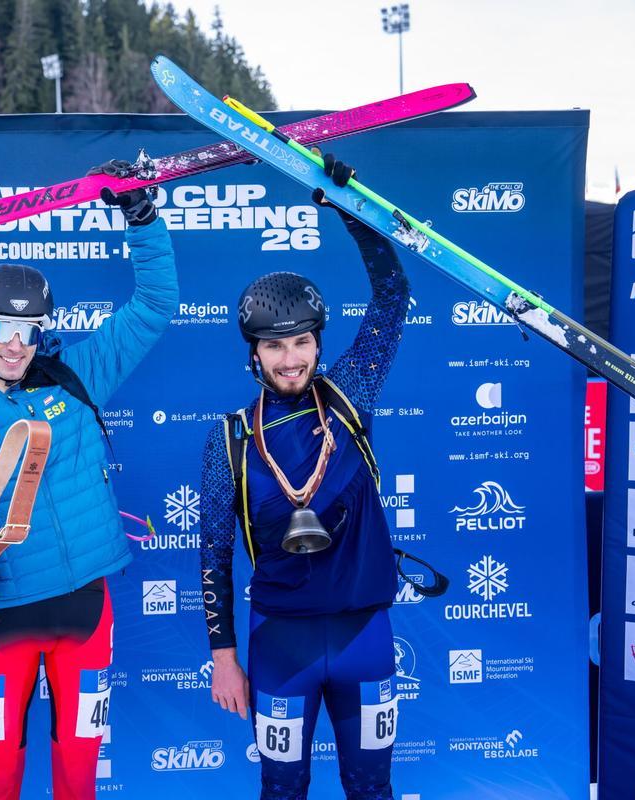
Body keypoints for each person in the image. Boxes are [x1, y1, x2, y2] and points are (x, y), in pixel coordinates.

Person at [0, 162, 178, 800]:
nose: (15, 345)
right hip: (2, 620)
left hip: (85, 610)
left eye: (28, 331)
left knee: (79, 773)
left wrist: (142, 219)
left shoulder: (77, 378)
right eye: (2, 328)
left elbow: (157, 306)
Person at [200, 155, 410, 800]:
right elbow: (213, 553)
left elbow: (392, 296)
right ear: (253, 352)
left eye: (301, 343)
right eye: (274, 345)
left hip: (364, 638)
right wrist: (224, 656)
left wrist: (352, 209)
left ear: (319, 343)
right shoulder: (230, 436)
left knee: (371, 789)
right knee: (282, 790)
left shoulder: (350, 395)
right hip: (280, 646)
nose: (290, 359)